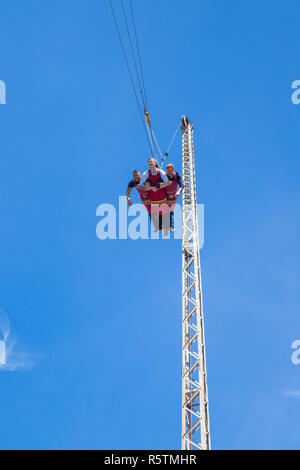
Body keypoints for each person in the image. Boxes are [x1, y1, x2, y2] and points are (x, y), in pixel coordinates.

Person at [138, 157, 171, 231]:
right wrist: (149, 188)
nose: (150, 163)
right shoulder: (146, 173)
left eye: (152, 161)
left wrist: (158, 187)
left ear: (155, 163)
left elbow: (167, 182)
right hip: (152, 195)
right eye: (149, 162)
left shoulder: (161, 172)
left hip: (160, 193)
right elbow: (141, 183)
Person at [164, 163, 184, 234]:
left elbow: (182, 185)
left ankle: (170, 226)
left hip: (173, 196)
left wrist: (178, 192)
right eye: (168, 171)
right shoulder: (164, 176)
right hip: (165, 196)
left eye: (170, 171)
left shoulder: (177, 175)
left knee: (170, 211)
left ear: (173, 170)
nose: (169, 173)